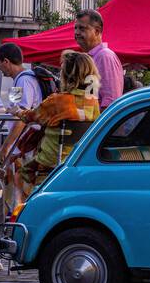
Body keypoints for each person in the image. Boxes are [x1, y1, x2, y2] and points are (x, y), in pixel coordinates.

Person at [12, 52, 101, 200]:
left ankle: (21, 212)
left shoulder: (58, 101)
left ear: (67, 75)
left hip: (51, 162)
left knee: (17, 172)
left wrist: (16, 111)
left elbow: (31, 117)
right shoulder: (93, 102)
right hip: (77, 160)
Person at [73, 9, 123, 109]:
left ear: (97, 31)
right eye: (75, 28)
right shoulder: (92, 57)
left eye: (82, 28)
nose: (77, 32)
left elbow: (110, 102)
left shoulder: (105, 57)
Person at [0, 42, 42, 111]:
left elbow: (21, 115)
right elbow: (14, 107)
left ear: (6, 61)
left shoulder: (23, 80)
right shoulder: (19, 79)